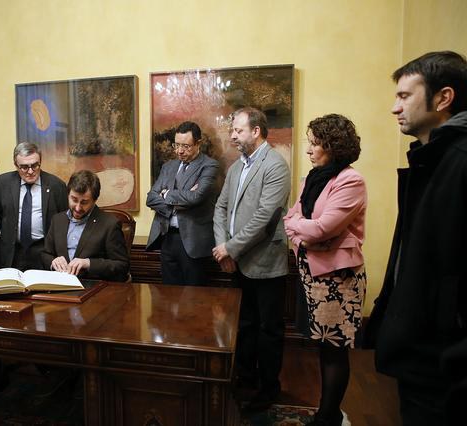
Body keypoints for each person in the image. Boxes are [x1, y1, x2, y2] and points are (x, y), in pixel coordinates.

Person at [364, 51, 467, 425]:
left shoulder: (459, 159)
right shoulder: (430, 158)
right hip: (422, 351)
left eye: (405, 96)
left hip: (443, 361)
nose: (395, 107)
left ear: (443, 98)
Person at [284, 114, 367, 426]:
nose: (309, 149)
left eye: (315, 143)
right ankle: (327, 411)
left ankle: (327, 416)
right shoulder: (312, 179)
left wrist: (304, 229)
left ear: (333, 146)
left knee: (334, 349)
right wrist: (303, 234)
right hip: (311, 273)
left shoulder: (351, 181)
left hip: (338, 279)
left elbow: (322, 228)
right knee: (321, 346)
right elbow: (290, 220)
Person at [212, 107, 290, 410]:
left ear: (256, 131)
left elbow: (264, 218)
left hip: (266, 263)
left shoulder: (275, 165)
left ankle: (269, 390)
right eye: (232, 130)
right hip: (236, 263)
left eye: (238, 130)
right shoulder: (236, 167)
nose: (232, 135)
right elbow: (220, 208)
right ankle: (246, 379)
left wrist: (231, 248)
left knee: (268, 331)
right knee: (243, 326)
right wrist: (223, 247)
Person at [145, 121, 219, 285]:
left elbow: (196, 197)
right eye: (176, 145)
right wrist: (179, 200)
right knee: (169, 294)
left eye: (186, 146)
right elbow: (150, 198)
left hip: (193, 242)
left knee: (193, 295)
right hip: (166, 238)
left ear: (198, 143)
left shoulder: (209, 166)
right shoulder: (168, 166)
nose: (179, 151)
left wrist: (166, 194)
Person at [41, 170, 129, 282]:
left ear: (94, 200)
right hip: (60, 284)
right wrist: (53, 261)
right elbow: (46, 254)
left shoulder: (110, 224)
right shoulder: (58, 220)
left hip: (92, 286)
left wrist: (88, 263)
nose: (78, 208)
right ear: (68, 195)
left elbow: (122, 266)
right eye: (74, 200)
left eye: (84, 202)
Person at [0, 142, 67, 270]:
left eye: (34, 165)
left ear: (40, 162)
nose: (30, 171)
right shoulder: (3, 183)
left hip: (44, 250)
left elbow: (63, 220)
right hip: (13, 251)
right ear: (16, 165)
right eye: (24, 167)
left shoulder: (56, 186)